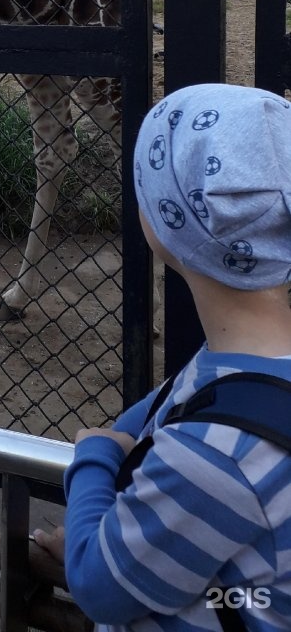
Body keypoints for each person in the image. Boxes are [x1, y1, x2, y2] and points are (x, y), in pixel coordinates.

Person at [35, 83, 291, 630]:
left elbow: (100, 587)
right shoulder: (248, 367)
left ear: (166, 227)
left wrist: (95, 462)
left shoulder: (218, 459)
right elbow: (173, 404)